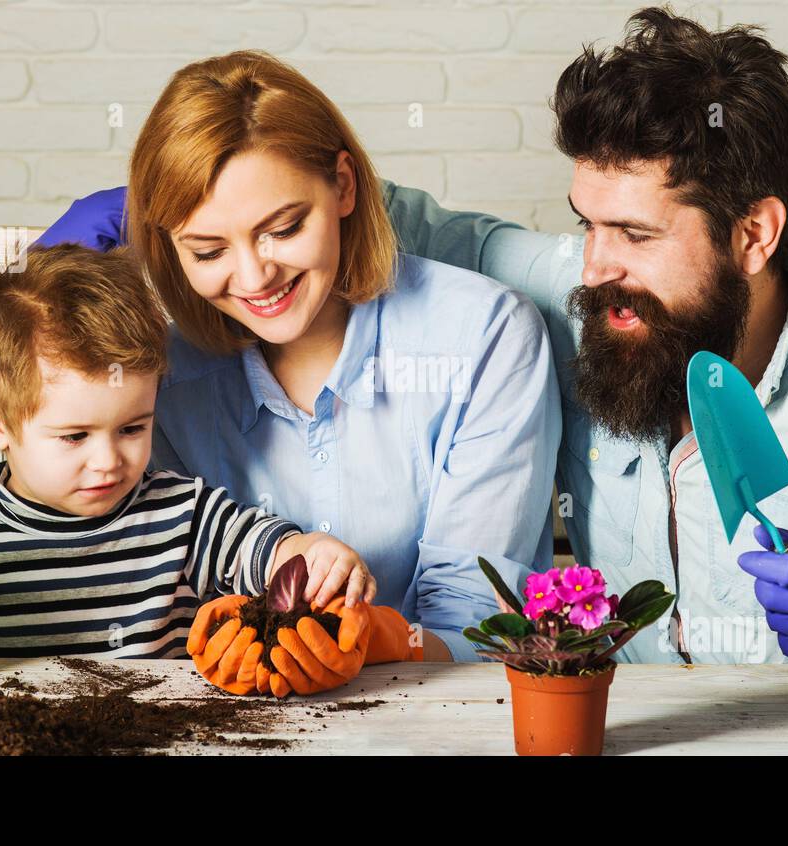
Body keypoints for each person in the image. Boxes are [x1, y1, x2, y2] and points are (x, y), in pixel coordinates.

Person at [41, 9, 788, 696]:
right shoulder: (580, 304)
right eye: (584, 223)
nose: (593, 266)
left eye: (634, 236)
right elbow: (378, 221)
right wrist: (157, 220)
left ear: (754, 234)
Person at [36, 51, 562, 680]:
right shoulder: (158, 382)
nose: (256, 277)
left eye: (282, 228)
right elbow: (145, 579)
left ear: (343, 185)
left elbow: (479, 623)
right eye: (207, 250)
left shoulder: (485, 337)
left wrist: (373, 640)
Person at [0, 244, 377, 668]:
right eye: (74, 437)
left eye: (131, 428)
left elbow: (256, 550)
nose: (108, 461)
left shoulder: (181, 514)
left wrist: (308, 552)